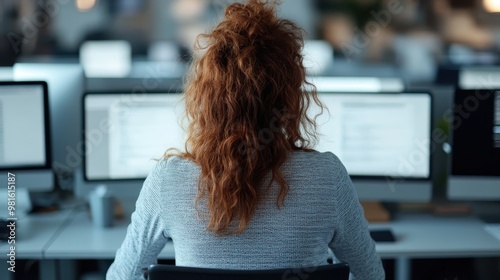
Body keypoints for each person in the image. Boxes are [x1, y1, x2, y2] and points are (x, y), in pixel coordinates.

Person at [106, 1, 385, 279]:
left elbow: (121, 277)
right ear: (290, 96)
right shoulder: (327, 177)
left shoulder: (168, 181)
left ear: (207, 97)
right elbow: (371, 275)